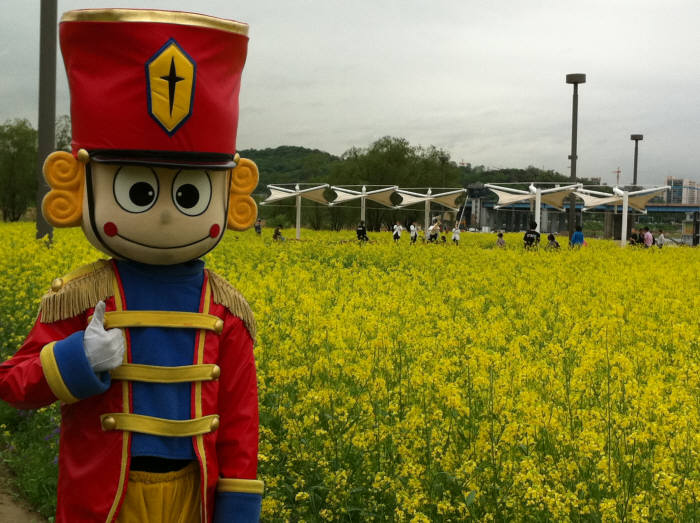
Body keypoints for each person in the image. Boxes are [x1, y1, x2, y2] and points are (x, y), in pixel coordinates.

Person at [0, 10, 263, 522]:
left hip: (195, 500)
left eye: (189, 193)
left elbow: (239, 425)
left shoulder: (227, 310)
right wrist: (76, 359)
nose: (165, 211)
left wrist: (237, 512)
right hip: (104, 501)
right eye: (138, 191)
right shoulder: (80, 296)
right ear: (77, 186)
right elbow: (13, 384)